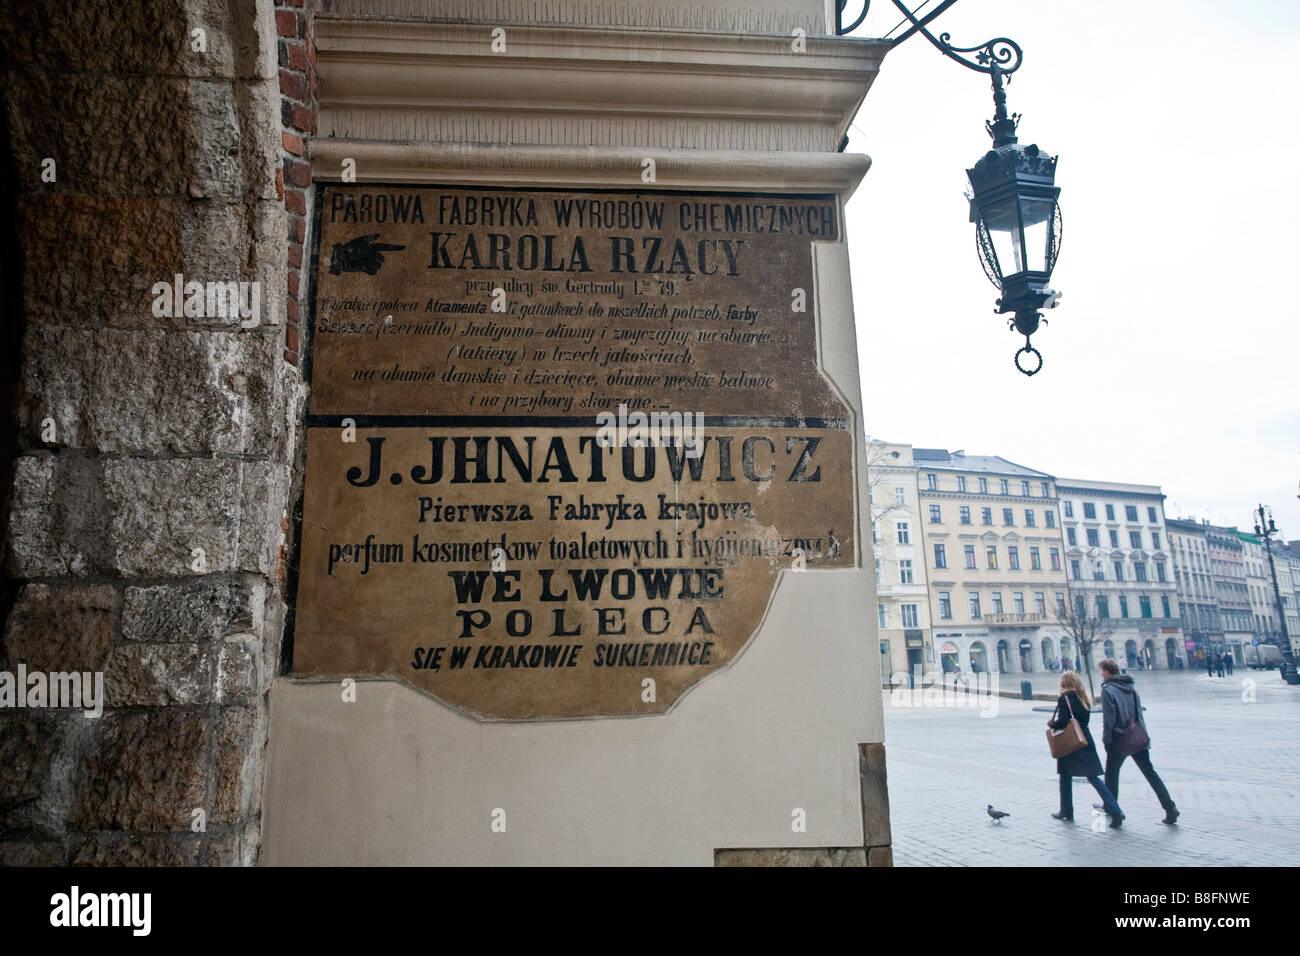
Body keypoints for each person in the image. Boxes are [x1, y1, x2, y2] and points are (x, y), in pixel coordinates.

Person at [1097, 659, 1179, 825]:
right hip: (1136, 735)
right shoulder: (1130, 687)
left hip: (1119, 738)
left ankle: (1114, 811)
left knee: (1112, 774)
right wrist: (1143, 735)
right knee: (1150, 772)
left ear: (1106, 671)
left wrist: (1107, 740)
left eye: (1101, 670)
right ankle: (1170, 808)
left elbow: (1109, 719)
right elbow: (1138, 713)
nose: (1100, 673)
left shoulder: (1107, 690)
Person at [1049, 671, 1124, 827]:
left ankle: (1067, 811)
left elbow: (1062, 721)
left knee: (1065, 776)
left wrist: (1052, 725)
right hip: (1085, 740)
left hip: (1069, 743)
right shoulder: (1083, 698)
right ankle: (1115, 810)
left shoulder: (1065, 699)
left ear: (1064, 683)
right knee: (1093, 777)